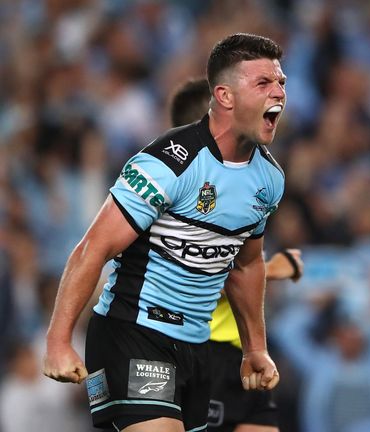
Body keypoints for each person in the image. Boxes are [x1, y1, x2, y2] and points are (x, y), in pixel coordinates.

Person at [42, 33, 288, 432]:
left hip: (196, 347)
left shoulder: (269, 178)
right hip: (133, 331)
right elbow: (93, 248)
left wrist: (254, 348)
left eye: (281, 83)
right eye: (264, 83)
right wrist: (58, 340)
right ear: (224, 96)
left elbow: (245, 266)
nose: (278, 92)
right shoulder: (167, 164)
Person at [169, 77, 304, 432]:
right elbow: (195, 273)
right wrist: (272, 269)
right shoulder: (180, 194)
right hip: (196, 347)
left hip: (238, 351)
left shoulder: (242, 186)